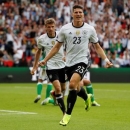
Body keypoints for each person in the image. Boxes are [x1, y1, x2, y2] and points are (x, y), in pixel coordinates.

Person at [38, 5, 113, 126]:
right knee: (77, 89)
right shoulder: (65, 29)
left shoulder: (89, 29)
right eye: (76, 12)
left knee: (72, 85)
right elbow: (56, 47)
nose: (78, 14)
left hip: (83, 60)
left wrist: (106, 59)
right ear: (72, 14)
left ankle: (67, 115)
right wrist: (45, 59)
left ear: (83, 14)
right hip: (68, 63)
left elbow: (97, 46)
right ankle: (87, 97)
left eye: (80, 12)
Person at [31, 18, 66, 115]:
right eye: (48, 27)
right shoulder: (42, 39)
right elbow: (38, 52)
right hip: (50, 66)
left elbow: (68, 47)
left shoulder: (61, 35)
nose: (51, 29)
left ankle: (53, 94)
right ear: (45, 27)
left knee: (63, 89)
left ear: (55, 27)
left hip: (62, 65)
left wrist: (66, 56)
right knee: (58, 89)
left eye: (52, 26)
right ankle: (64, 112)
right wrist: (34, 67)